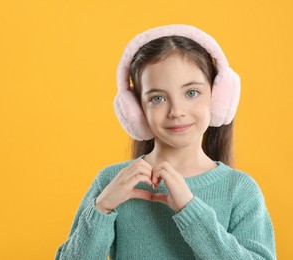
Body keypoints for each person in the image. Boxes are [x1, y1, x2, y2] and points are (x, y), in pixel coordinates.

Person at [55, 24, 276, 259]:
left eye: (191, 92)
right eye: (158, 98)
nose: (176, 111)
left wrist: (191, 211)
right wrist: (101, 208)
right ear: (136, 110)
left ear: (218, 96)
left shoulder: (239, 189)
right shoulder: (111, 182)